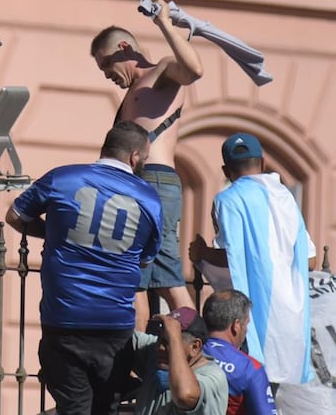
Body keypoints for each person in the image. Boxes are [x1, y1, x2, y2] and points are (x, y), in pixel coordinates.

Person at [6, 121, 162, 415]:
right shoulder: (149, 199)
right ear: (135, 157)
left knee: (72, 408)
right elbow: (145, 259)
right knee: (107, 408)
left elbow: (15, 216)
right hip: (115, 325)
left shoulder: (62, 178)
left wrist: (56, 233)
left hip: (64, 319)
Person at [90, 2, 203, 328]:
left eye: (106, 65)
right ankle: (136, 358)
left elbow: (194, 69)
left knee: (168, 280)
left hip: (155, 181)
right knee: (132, 278)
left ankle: (198, 352)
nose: (108, 75)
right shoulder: (131, 95)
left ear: (124, 48)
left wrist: (164, 24)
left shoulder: (163, 70)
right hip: (133, 186)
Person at [188, 133, 316, 385]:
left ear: (226, 170)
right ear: (264, 163)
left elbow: (231, 258)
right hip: (292, 318)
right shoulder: (286, 198)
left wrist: (201, 253)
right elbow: (311, 261)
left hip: (254, 321)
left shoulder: (228, 199)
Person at [131, 308, 228, 415]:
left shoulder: (213, 376)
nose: (161, 348)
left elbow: (185, 396)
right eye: (160, 339)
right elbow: (119, 337)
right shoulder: (155, 352)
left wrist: (174, 339)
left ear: (195, 347)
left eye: (168, 342)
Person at [201, 290, 277, 415]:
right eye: (246, 324)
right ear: (236, 326)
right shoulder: (250, 368)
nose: (246, 330)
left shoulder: (187, 352)